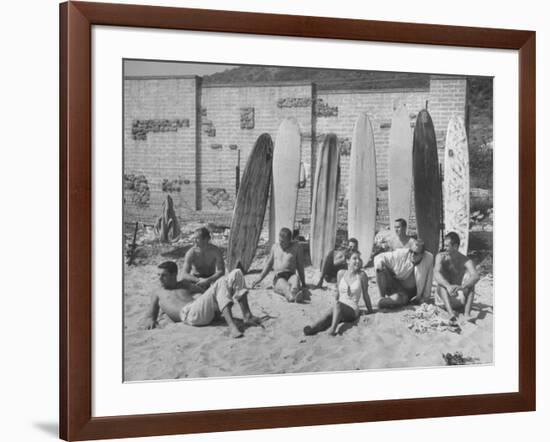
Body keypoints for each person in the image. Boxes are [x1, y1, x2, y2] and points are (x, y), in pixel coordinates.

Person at [140, 261, 260, 338]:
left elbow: (205, 294)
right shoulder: (158, 292)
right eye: (158, 275)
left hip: (200, 310)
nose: (160, 278)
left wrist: (217, 303)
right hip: (188, 315)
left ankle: (247, 315)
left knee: (237, 273)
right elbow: (150, 315)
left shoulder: (184, 284)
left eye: (163, 275)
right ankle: (232, 326)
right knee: (221, 282)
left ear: (174, 275)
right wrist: (150, 320)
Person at [304, 251, 373, 336]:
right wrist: (334, 307)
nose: (358, 261)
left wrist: (370, 310)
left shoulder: (362, 275)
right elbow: (338, 293)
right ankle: (312, 328)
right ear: (347, 260)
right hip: (339, 308)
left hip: (352, 309)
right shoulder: (341, 273)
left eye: (359, 259)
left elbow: (365, 294)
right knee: (328, 315)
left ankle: (332, 330)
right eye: (355, 258)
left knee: (337, 305)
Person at [252, 227, 309, 303]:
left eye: (283, 242)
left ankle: (295, 292)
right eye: (280, 241)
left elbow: (300, 266)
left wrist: (304, 283)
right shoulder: (275, 247)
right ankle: (291, 296)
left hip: (291, 274)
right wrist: (259, 279)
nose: (281, 244)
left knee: (295, 282)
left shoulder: (296, 248)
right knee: (284, 285)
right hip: (279, 276)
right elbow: (269, 265)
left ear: (289, 241)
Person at [434, 232, 480, 322]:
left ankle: (467, 314)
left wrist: (462, 287)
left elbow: (476, 276)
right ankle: (451, 313)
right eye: (445, 245)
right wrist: (448, 286)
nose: (444, 248)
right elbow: (436, 273)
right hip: (442, 299)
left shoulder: (465, 260)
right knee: (441, 285)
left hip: (458, 297)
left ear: (455, 246)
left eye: (447, 246)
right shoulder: (440, 256)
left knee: (471, 284)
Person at [374, 239, 434, 308]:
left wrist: (425, 298)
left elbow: (429, 279)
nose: (412, 255)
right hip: (393, 284)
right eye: (411, 251)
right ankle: (382, 297)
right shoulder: (401, 254)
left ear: (422, 255)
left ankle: (383, 302)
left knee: (399, 299)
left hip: (405, 294)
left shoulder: (428, 258)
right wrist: (379, 264)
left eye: (415, 253)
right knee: (380, 267)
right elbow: (379, 257)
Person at [180, 227, 225, 293]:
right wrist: (198, 280)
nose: (194, 241)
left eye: (197, 238)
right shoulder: (191, 252)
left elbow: (221, 271)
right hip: (195, 279)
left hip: (210, 278)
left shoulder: (215, 251)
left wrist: (208, 280)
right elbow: (184, 273)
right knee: (182, 283)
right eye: (194, 238)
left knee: (223, 282)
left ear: (205, 239)